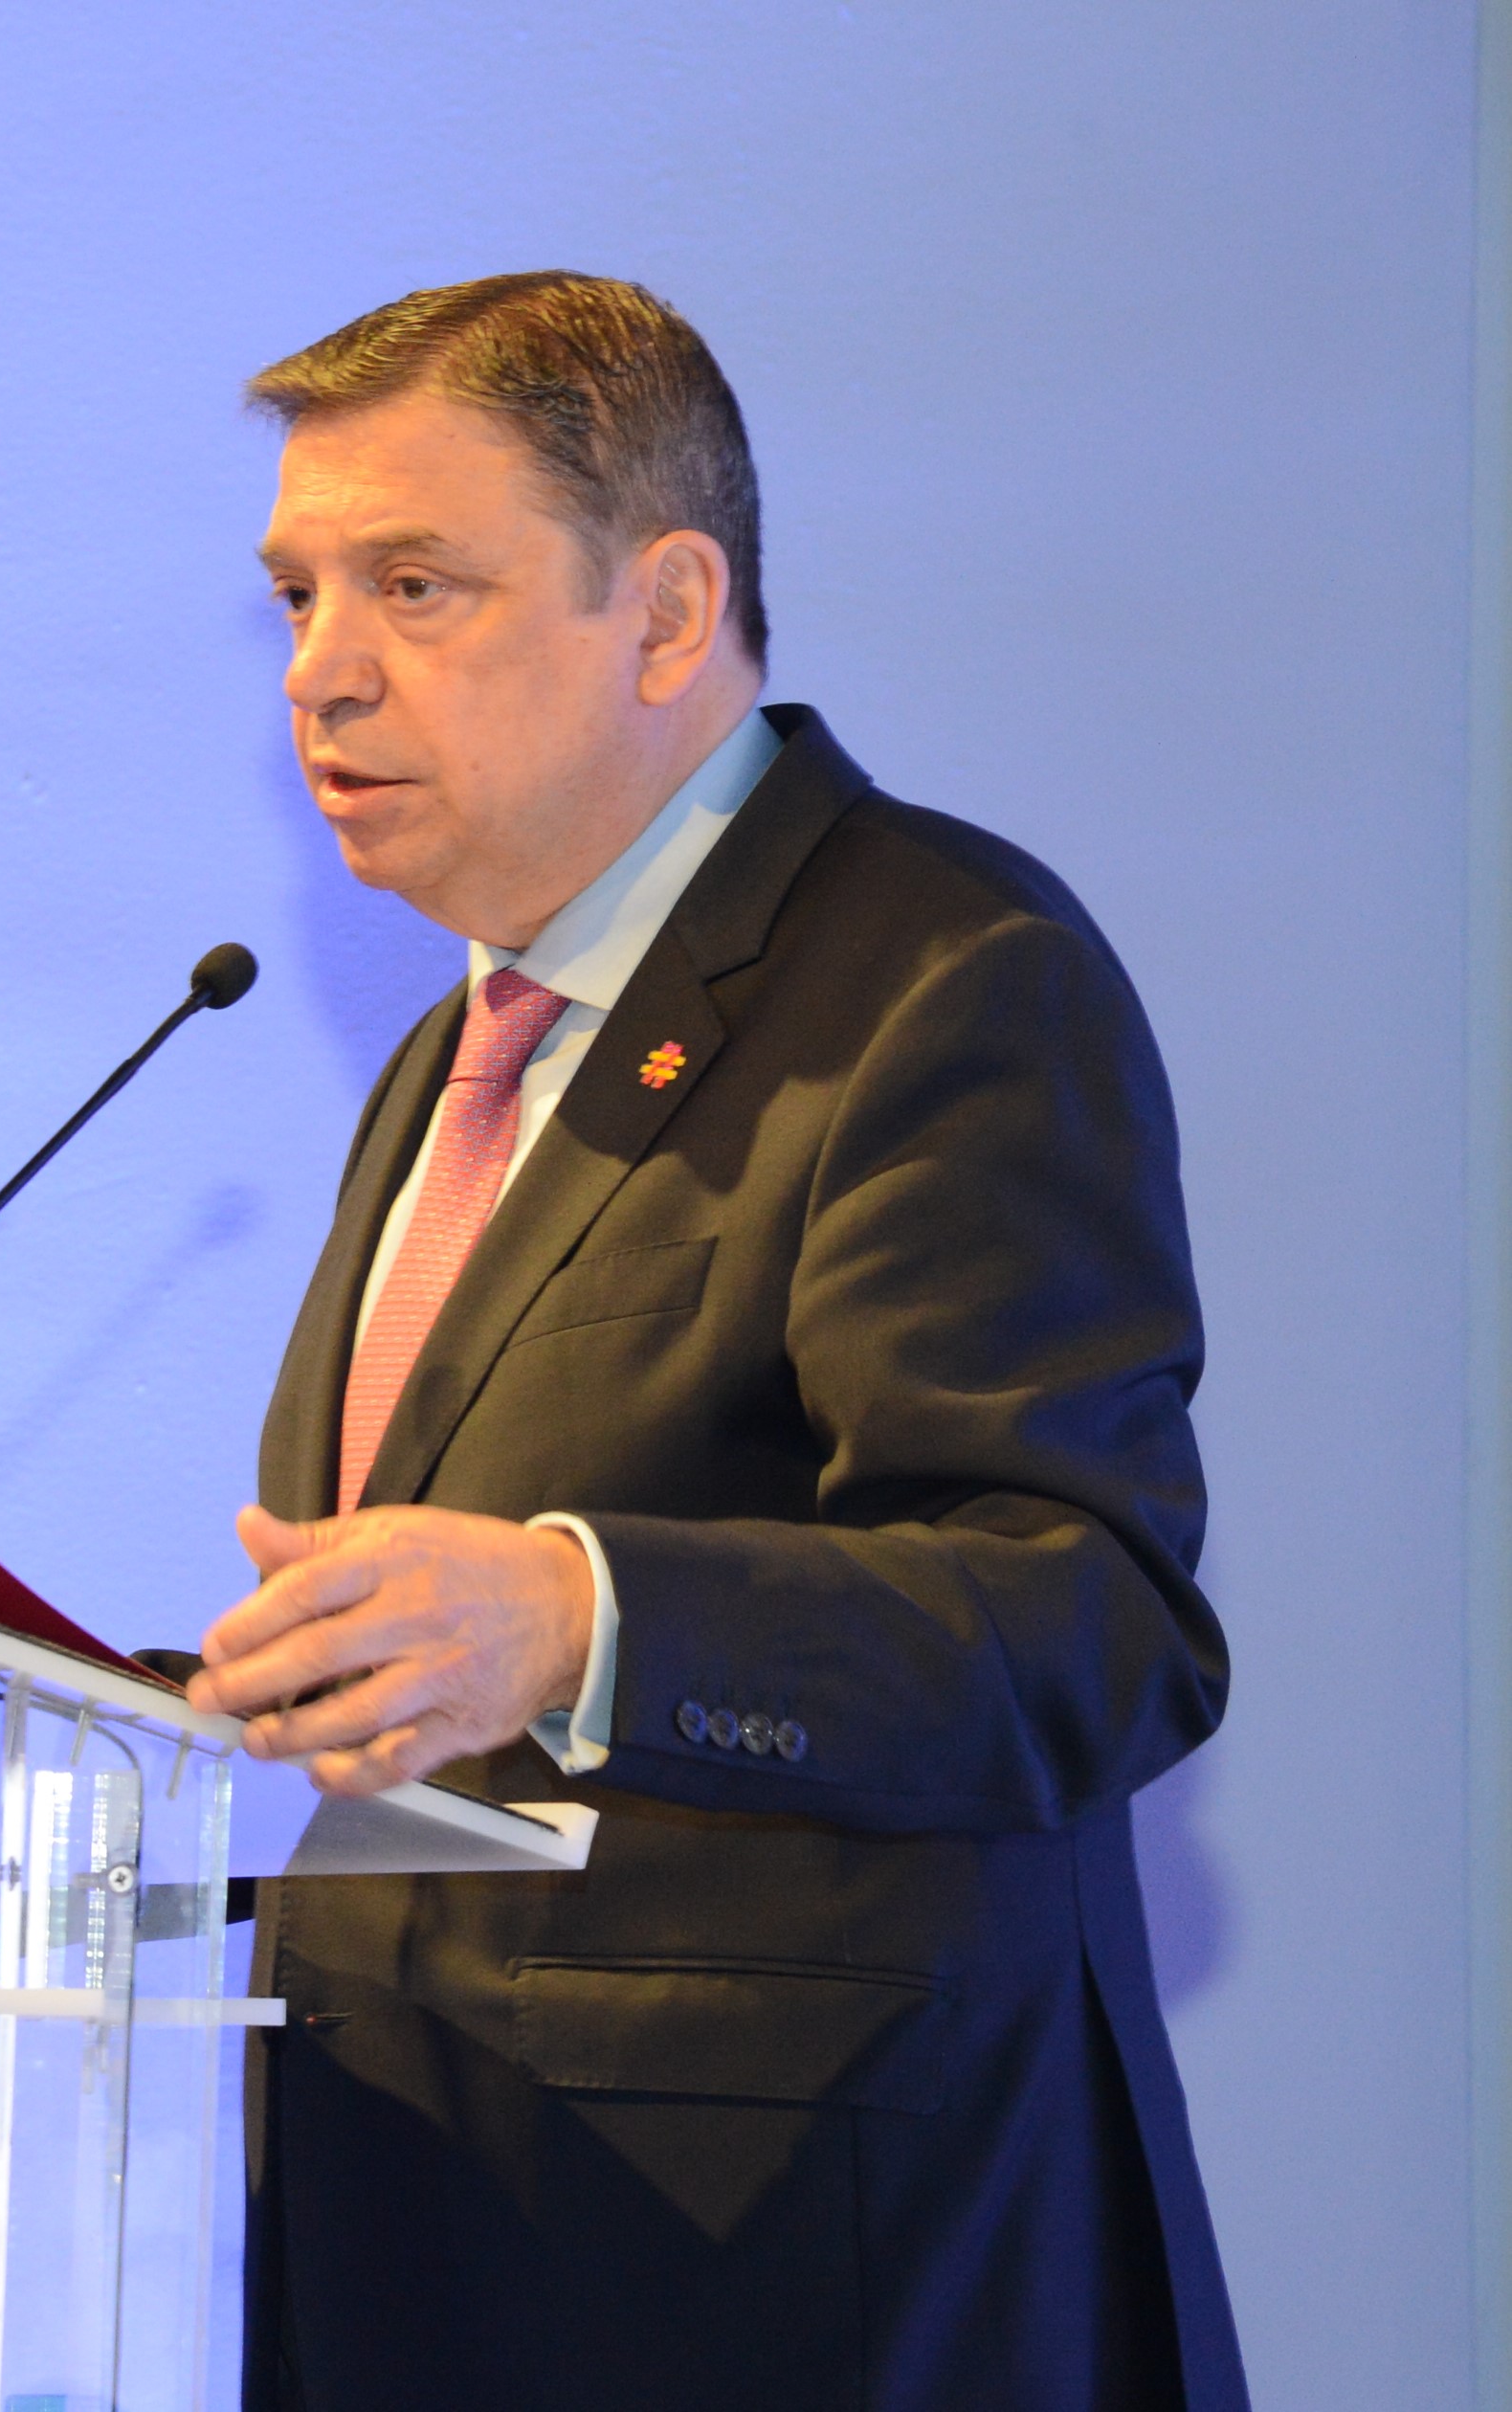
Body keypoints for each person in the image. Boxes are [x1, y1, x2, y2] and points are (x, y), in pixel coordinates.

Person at [176, 273, 1244, 2409]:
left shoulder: (939, 972)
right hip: (432, 2242)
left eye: (412, 585)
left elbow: (1090, 1625)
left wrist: (578, 1618)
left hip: (792, 2292)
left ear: (664, 612)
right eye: (296, 595)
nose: (319, 668)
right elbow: (440, 1699)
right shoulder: (456, 1054)